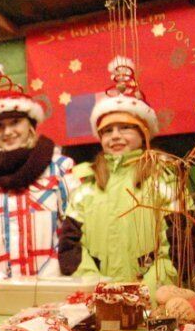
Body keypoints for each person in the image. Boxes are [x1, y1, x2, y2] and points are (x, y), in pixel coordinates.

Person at [58, 60, 180, 295]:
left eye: (125, 128)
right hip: (97, 299)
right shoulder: (86, 185)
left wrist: (149, 291)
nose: (115, 136)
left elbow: (180, 244)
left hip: (152, 299)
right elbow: (70, 247)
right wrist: (95, 289)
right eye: (107, 131)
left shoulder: (165, 179)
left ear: (143, 132)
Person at [0, 63, 76, 293]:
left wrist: (48, 281)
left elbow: (74, 231)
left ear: (31, 125)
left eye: (15, 122)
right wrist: (3, 286)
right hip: (2, 296)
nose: (7, 132)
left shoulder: (60, 169)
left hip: (55, 291)